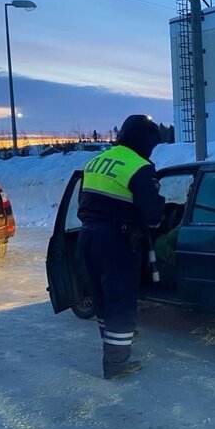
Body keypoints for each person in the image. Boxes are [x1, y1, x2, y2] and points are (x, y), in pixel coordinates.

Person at [77, 115, 165, 379]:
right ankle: (116, 364)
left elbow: (85, 200)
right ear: (145, 142)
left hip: (88, 236)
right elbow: (153, 217)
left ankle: (114, 340)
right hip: (117, 241)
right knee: (122, 301)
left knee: (103, 296)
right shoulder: (140, 167)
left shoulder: (95, 162)